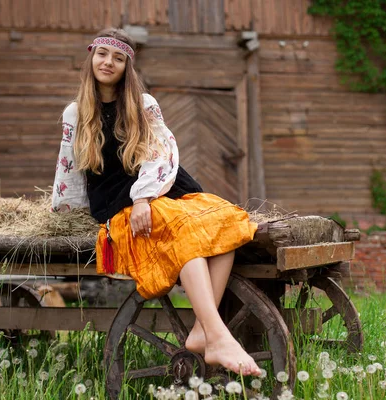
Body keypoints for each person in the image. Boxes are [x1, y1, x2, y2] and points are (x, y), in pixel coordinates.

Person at [51, 28, 260, 376]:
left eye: (118, 58)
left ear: (127, 66)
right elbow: (69, 165)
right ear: (91, 57)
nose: (108, 62)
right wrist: (65, 211)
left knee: (229, 220)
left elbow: (160, 151)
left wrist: (145, 196)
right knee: (182, 231)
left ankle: (201, 332)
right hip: (117, 202)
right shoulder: (75, 113)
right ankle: (219, 336)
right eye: (102, 54)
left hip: (156, 188)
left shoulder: (142, 104)